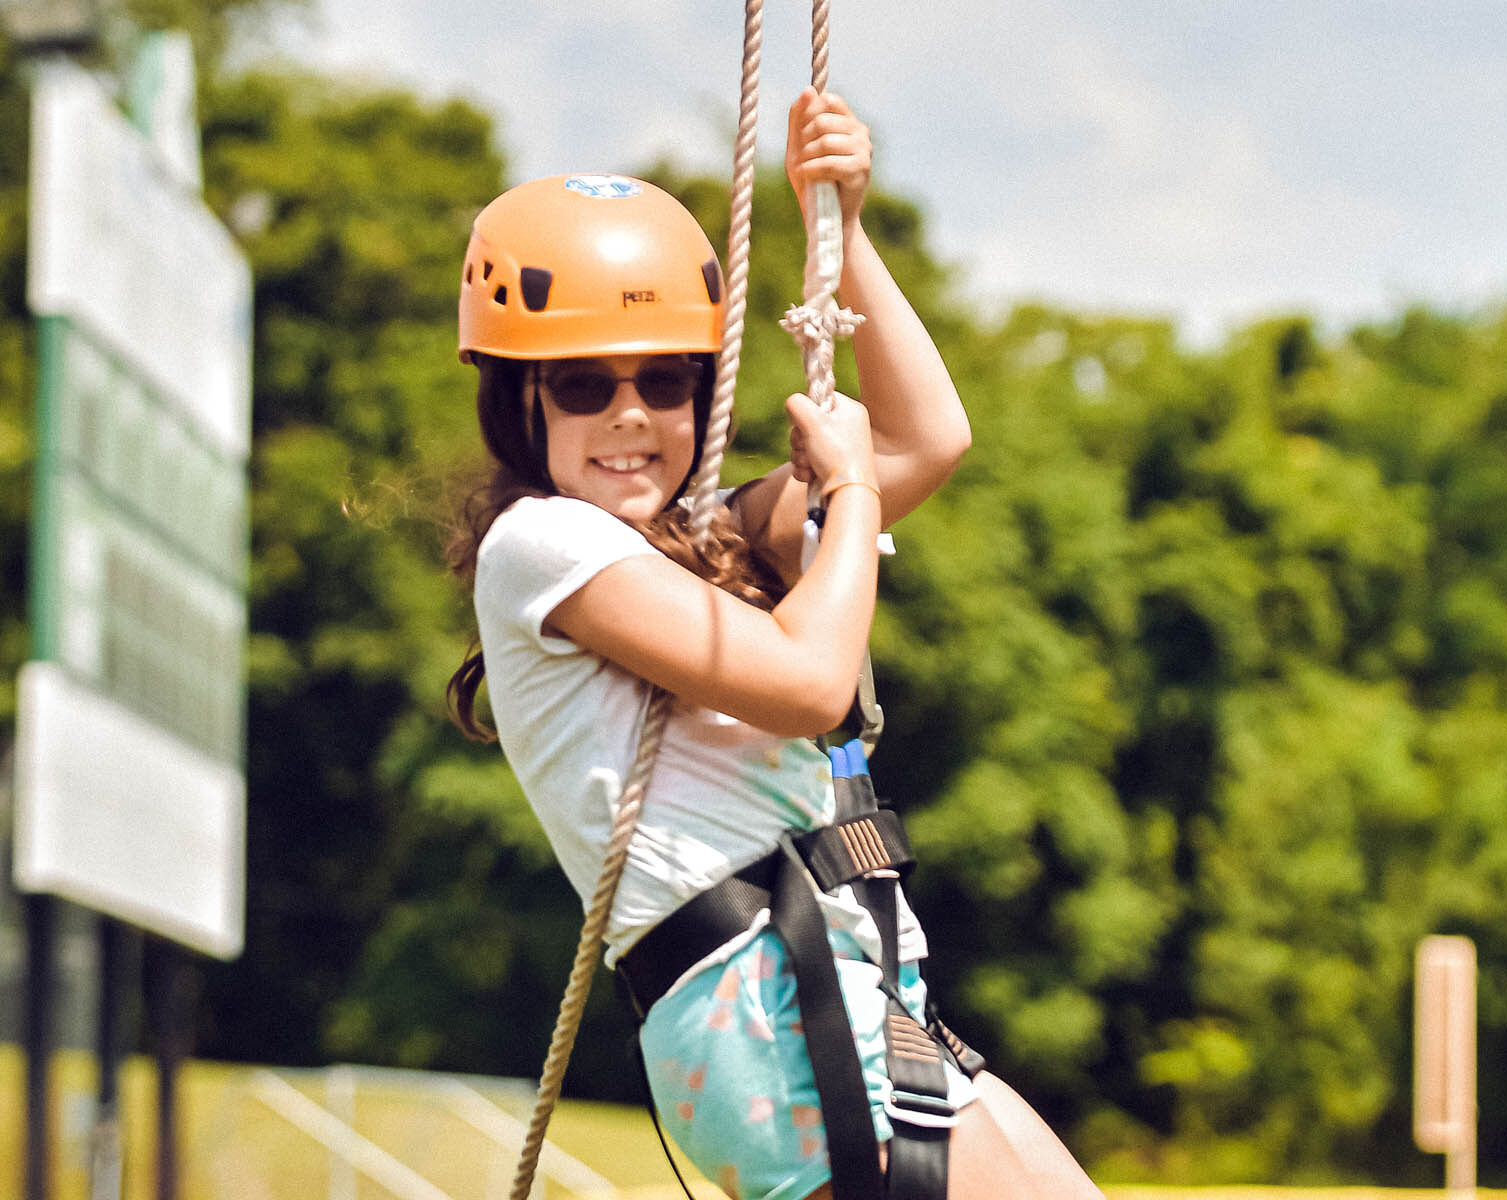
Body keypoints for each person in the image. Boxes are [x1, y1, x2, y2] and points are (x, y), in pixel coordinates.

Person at [446, 88, 1101, 1200]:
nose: (630, 415)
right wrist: (846, 491)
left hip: (833, 972)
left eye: (665, 381)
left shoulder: (703, 540)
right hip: (760, 997)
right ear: (523, 402)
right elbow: (807, 682)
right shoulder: (541, 544)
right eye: (585, 385)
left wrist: (843, 230)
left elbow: (929, 440)